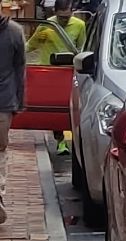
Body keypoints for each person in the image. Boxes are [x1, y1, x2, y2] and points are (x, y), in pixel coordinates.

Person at [25, 0, 81, 152]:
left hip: (69, 72)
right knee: (53, 106)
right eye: (61, 17)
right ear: (55, 12)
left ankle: (76, 143)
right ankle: (61, 141)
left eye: (67, 17)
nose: (64, 20)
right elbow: (30, 46)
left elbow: (82, 48)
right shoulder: (47, 25)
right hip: (50, 71)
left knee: (70, 109)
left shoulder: (79, 25)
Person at [0, 0, 24, 225]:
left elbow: (20, 68)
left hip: (5, 101)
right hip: (6, 101)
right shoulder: (15, 32)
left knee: (0, 148)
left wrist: (19, 99)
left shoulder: (15, 32)